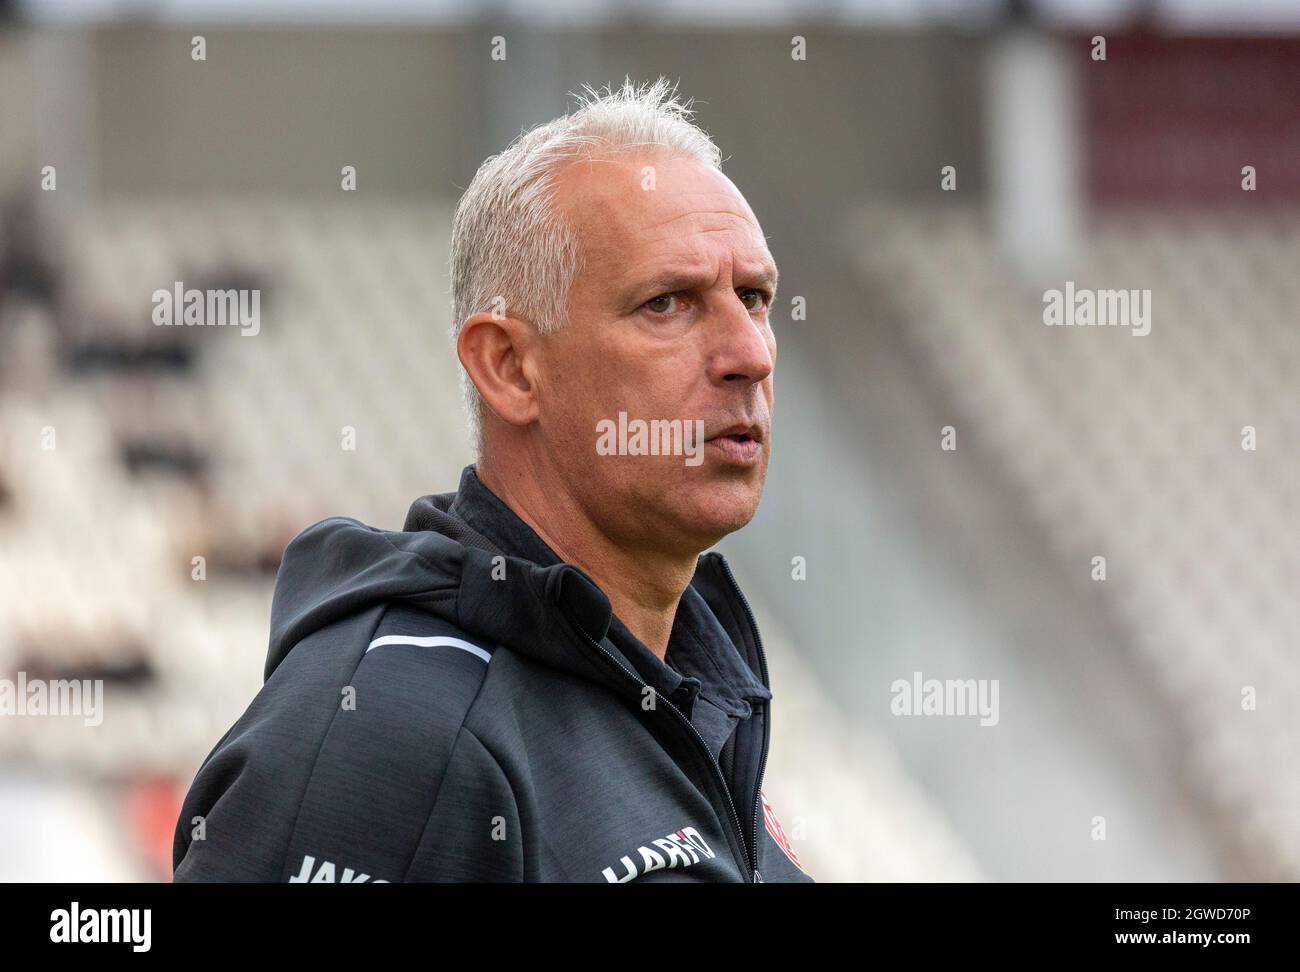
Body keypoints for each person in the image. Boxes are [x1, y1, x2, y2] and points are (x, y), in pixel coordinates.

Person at [173, 78, 811, 883]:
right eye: (668, 303)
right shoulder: (396, 736)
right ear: (509, 367)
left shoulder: (692, 699)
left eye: (753, 298)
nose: (749, 353)